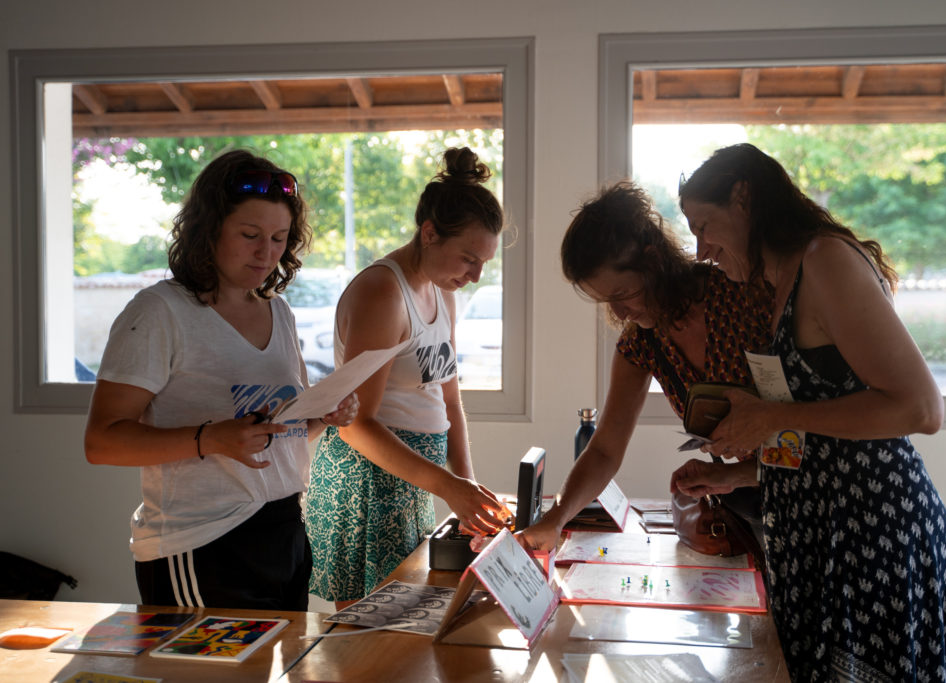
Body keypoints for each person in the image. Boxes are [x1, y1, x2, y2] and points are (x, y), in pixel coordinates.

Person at [675, 143, 946, 680]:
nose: (700, 250)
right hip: (821, 538)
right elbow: (827, 437)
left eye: (705, 225)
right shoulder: (777, 281)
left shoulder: (824, 261)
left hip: (872, 540)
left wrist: (771, 418)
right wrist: (741, 470)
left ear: (743, 198)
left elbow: (921, 408)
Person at [84, 149, 359, 611]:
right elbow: (102, 443)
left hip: (285, 531)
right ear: (207, 230)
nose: (266, 252)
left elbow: (274, 437)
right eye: (250, 234)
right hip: (200, 541)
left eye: (279, 237)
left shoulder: (280, 312)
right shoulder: (159, 312)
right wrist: (211, 439)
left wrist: (321, 418)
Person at [518, 181, 772, 555]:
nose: (619, 314)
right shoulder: (641, 344)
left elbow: (805, 428)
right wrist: (556, 520)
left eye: (622, 294)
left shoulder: (742, 296)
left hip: (812, 498)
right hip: (754, 506)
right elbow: (604, 449)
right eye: (608, 301)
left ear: (653, 262)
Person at [305, 147, 510, 607]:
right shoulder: (383, 292)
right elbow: (357, 423)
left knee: (406, 627)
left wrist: (467, 490)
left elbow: (450, 402)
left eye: (484, 264)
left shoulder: (444, 293)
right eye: (468, 259)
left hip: (416, 480)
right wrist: (449, 486)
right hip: (366, 483)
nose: (475, 275)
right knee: (368, 643)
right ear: (430, 233)